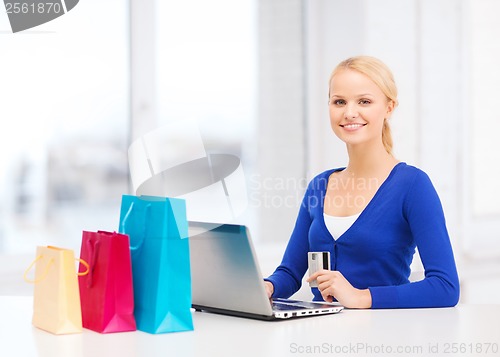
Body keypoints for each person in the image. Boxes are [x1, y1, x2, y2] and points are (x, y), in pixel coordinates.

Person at [264, 56, 460, 309]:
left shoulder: (412, 185)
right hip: (319, 338)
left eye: (364, 101)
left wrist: (360, 296)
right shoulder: (319, 186)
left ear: (389, 107)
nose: (349, 113)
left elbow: (445, 287)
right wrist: (267, 286)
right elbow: (290, 273)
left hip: (382, 337)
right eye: (339, 102)